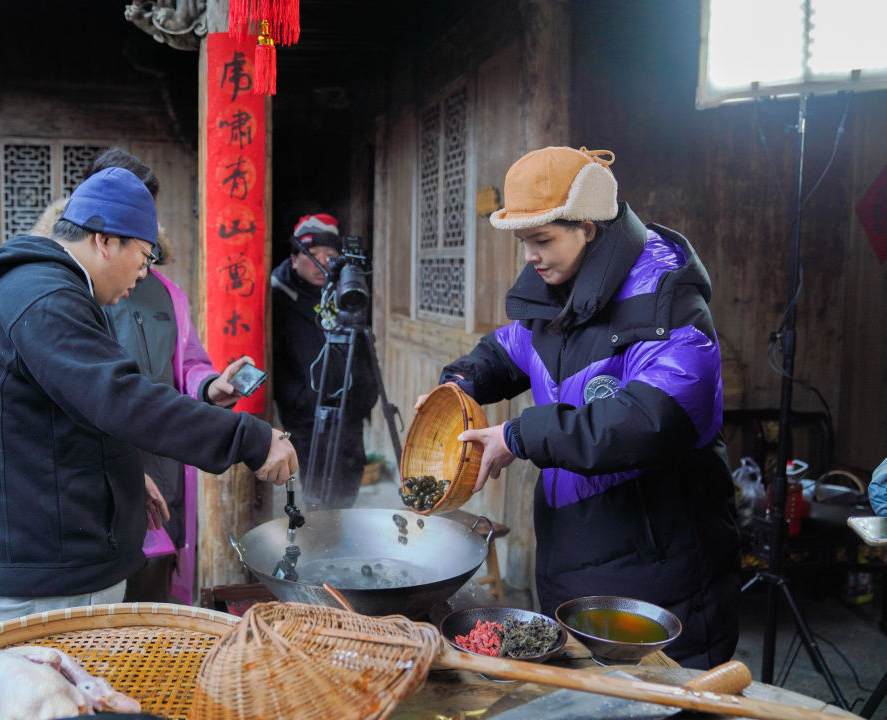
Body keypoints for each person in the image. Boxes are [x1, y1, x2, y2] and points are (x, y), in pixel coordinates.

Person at [422, 146, 741, 668]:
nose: (531, 256)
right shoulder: (558, 293)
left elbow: (652, 419)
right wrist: (458, 386)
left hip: (660, 563)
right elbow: (508, 349)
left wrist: (517, 437)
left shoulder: (668, 302)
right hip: (573, 549)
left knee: (661, 698)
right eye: (524, 241)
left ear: (589, 228)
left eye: (542, 239)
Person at [0, 166, 297, 629]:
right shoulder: (47, 300)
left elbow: (73, 410)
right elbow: (125, 398)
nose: (143, 273)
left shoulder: (37, 289)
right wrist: (252, 438)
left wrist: (124, 472)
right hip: (48, 578)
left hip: (49, 553)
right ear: (106, 241)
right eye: (145, 256)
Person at [31, 148, 251, 605]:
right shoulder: (67, 294)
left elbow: (188, 362)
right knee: (107, 587)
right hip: (102, 466)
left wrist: (211, 387)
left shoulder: (167, 291)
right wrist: (122, 467)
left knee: (159, 575)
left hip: (166, 459)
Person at [271, 214, 378, 508]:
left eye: (330, 255)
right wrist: (299, 398)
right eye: (312, 255)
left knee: (350, 470)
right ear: (294, 259)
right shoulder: (279, 296)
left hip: (349, 407)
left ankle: (341, 534)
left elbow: (363, 349)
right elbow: (275, 360)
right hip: (306, 413)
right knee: (316, 482)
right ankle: (319, 540)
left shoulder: (344, 291)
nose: (322, 263)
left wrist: (366, 396)